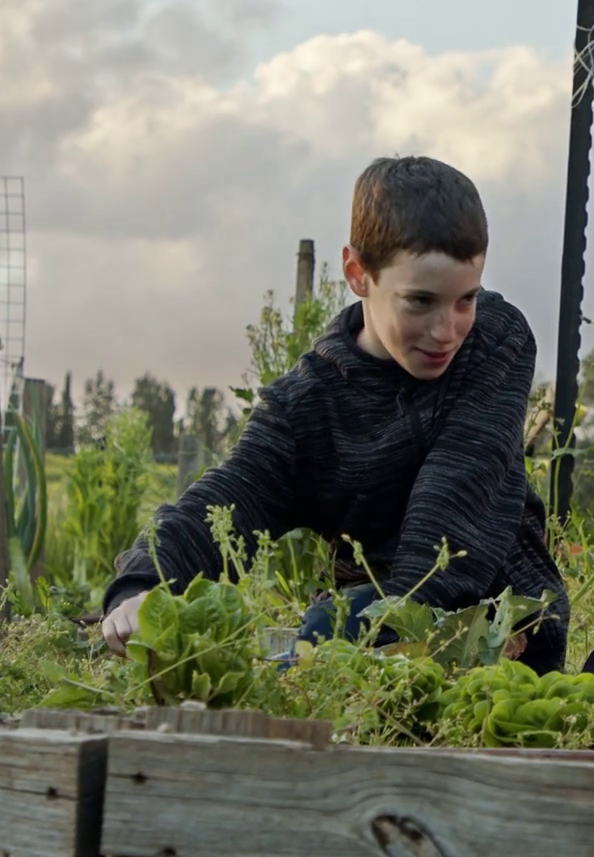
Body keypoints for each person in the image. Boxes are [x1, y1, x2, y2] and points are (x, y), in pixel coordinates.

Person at [98, 156, 569, 673]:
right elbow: (231, 495)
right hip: (365, 648)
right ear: (357, 274)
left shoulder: (495, 340)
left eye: (465, 300)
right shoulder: (308, 406)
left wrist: (370, 642)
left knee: (322, 633)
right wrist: (143, 587)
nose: (447, 330)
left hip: (499, 637)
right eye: (420, 301)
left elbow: (457, 492)